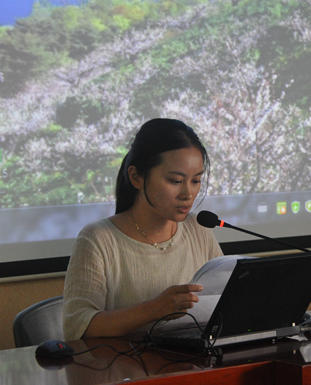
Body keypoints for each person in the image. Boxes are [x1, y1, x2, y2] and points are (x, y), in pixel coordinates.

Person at [63, 118, 223, 340]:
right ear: (136, 177)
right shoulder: (98, 239)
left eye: (196, 181)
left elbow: (226, 302)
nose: (188, 194)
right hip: (124, 372)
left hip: (193, 366)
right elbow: (77, 328)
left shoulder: (198, 229)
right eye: (175, 181)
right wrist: (154, 309)